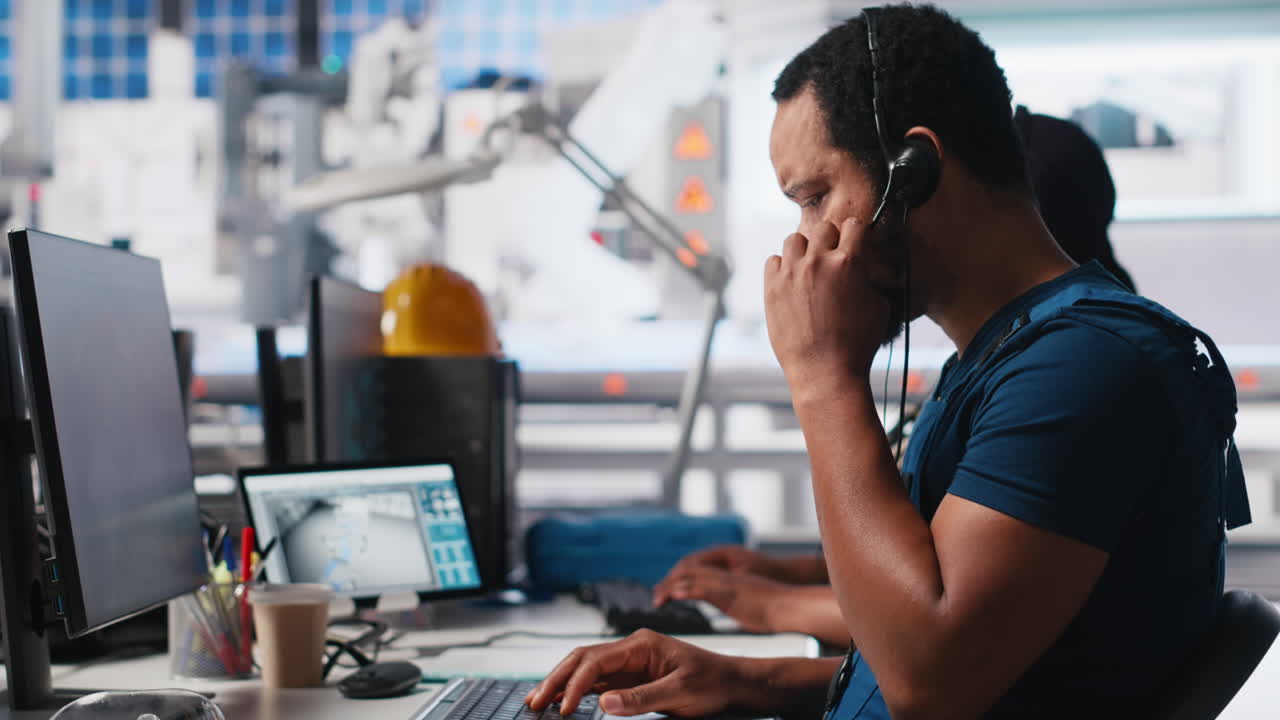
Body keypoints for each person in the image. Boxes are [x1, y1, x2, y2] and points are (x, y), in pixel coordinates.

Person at [525, 5, 1247, 719]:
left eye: (814, 198)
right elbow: (990, 667)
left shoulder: (1087, 365)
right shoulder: (999, 358)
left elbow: (930, 683)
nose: (802, 243)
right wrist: (746, 681)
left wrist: (821, 376)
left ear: (917, 169)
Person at [646, 108, 1142, 649]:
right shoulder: (988, 359)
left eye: (817, 198)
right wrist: (771, 609)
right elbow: (938, 558)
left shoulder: (1071, 370)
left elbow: (934, 643)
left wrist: (823, 374)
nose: (812, 235)